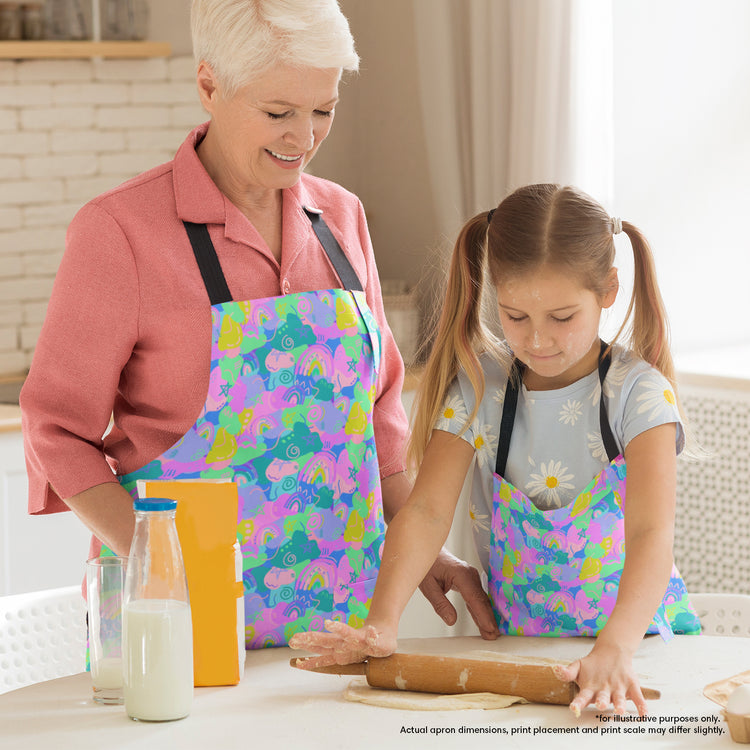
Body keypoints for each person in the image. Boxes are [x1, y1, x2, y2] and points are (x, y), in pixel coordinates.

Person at [20, 0, 495, 648]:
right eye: (278, 113)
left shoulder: (341, 218)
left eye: (323, 110)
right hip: (177, 625)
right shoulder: (121, 233)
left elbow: (378, 413)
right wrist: (152, 555)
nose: (303, 136)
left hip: (339, 632)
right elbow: (56, 429)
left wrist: (418, 547)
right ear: (209, 84)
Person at [290, 183, 701, 715]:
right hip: (522, 657)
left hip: (636, 655)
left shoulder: (638, 396)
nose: (537, 341)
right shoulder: (482, 388)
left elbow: (651, 534)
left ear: (608, 290)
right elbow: (426, 511)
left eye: (562, 317)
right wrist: (382, 622)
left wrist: (615, 649)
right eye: (515, 316)